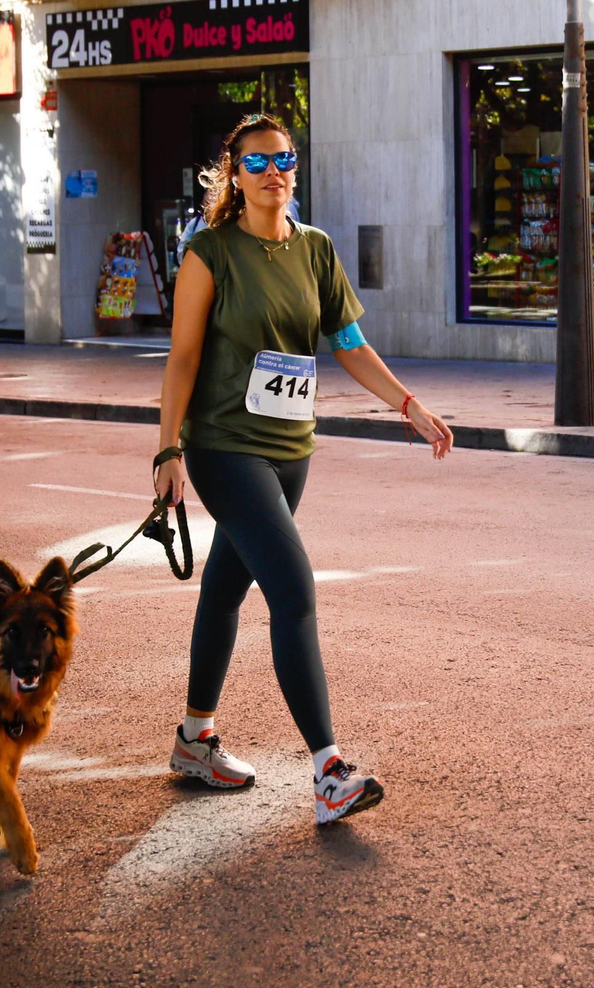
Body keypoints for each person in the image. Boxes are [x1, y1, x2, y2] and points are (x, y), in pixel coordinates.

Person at [153, 113, 455, 825]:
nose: (274, 173)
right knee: (293, 588)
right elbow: (184, 358)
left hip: (291, 451)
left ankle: (195, 737)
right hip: (225, 445)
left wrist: (407, 404)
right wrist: (169, 449)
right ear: (234, 173)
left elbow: (348, 342)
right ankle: (329, 771)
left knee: (226, 588)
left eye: (284, 159)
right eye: (256, 163)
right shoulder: (210, 252)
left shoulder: (315, 250)